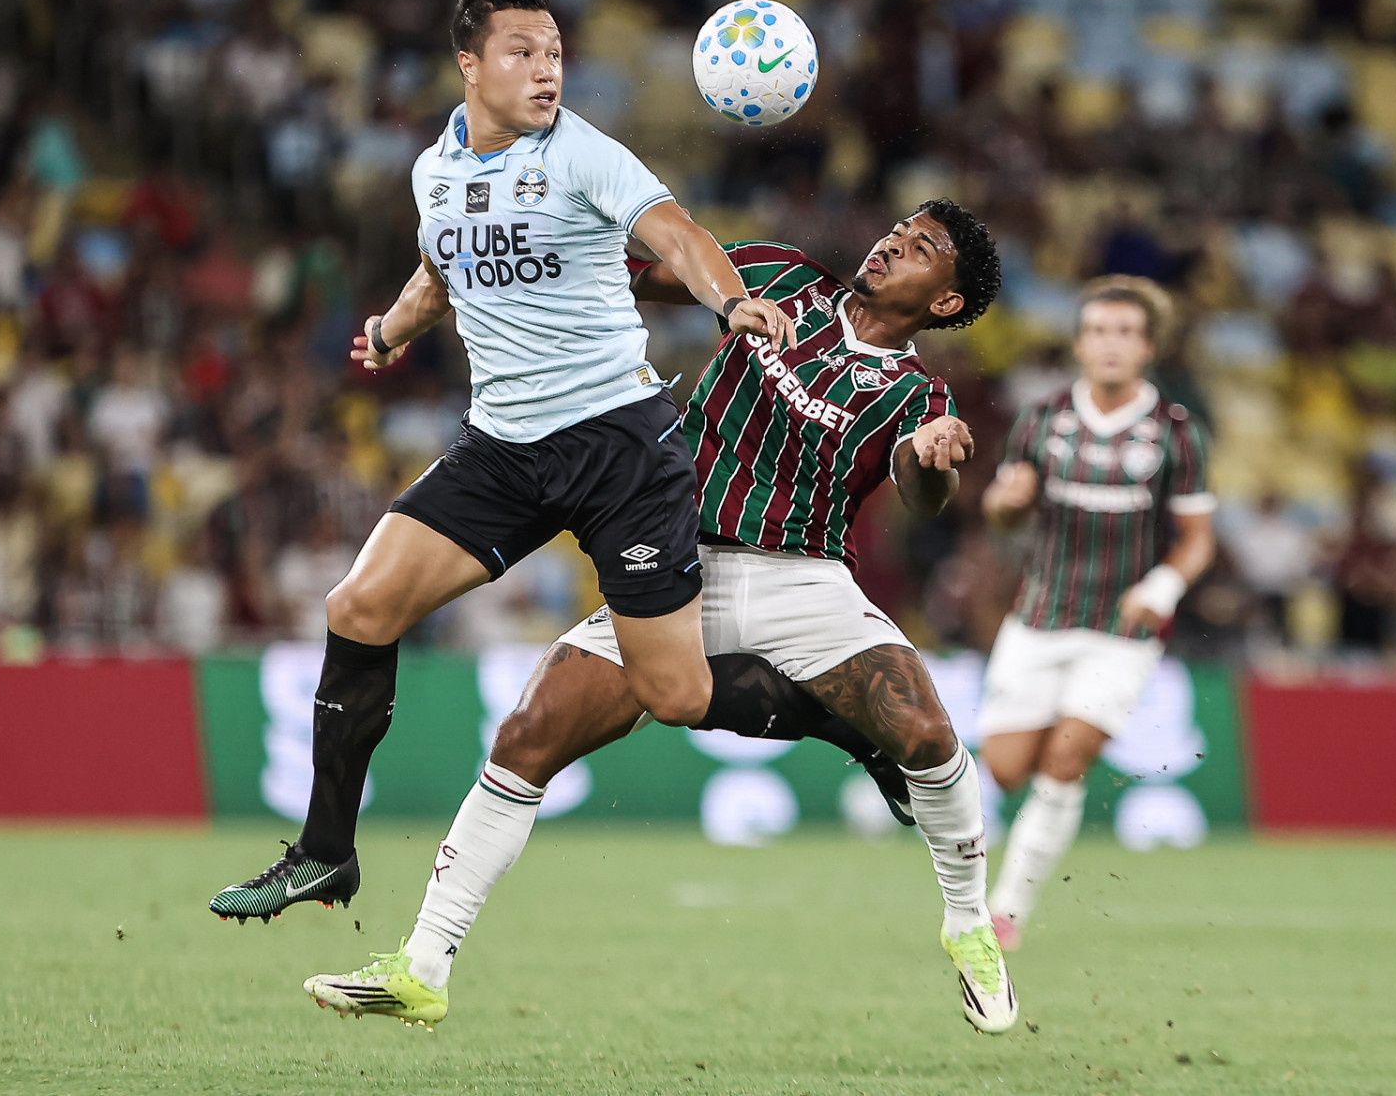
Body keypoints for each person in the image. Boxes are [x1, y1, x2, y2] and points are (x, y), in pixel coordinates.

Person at [301, 203, 1023, 1035]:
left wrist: (935, 460)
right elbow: (632, 279)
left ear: (942, 302)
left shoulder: (917, 391)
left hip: (804, 578)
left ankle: (969, 923)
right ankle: (423, 966)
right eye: (902, 226)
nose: (896, 239)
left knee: (926, 730)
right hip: (674, 556)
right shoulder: (777, 274)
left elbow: (919, 487)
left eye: (923, 246)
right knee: (529, 734)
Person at [208, 0, 794, 920]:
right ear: (469, 65)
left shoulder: (585, 156)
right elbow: (442, 265)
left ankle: (847, 718)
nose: (546, 69)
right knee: (360, 604)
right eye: (522, 51)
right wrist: (393, 329)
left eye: (556, 52)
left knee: (678, 692)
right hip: (505, 448)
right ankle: (325, 852)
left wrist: (731, 302)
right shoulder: (433, 169)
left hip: (618, 446)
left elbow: (678, 235)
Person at [977, 276, 1216, 952]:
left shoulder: (1176, 432)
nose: (1111, 344)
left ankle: (1008, 910)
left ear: (1147, 346)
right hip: (1040, 616)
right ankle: (1049, 726)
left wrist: (1165, 585)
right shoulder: (1042, 418)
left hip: (1121, 629)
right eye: (1099, 331)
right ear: (1080, 342)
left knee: (1067, 757)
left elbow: (1198, 538)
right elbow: (1002, 514)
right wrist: (1008, 498)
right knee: (1004, 767)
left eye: (1126, 332)